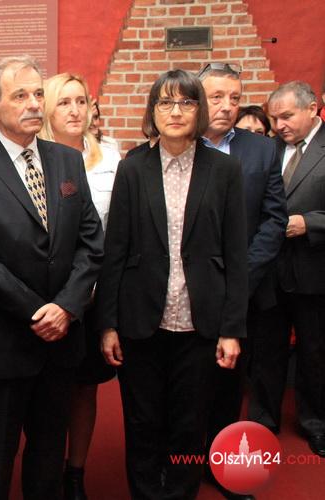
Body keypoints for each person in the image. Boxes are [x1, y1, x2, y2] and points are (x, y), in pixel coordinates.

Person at [0, 55, 104, 500]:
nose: (34, 103)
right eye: (20, 95)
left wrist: (66, 307)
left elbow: (92, 243)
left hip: (62, 339)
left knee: (49, 452)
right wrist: (40, 312)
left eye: (37, 94)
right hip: (6, 339)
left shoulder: (67, 161)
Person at [96, 69, 248, 500]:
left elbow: (236, 255)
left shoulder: (224, 170)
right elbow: (115, 251)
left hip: (201, 322)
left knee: (189, 424)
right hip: (141, 319)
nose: (175, 111)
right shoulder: (132, 168)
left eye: (186, 102)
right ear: (153, 111)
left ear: (199, 111)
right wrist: (108, 324)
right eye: (165, 102)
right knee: (143, 422)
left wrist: (232, 329)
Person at [198, 62, 287, 500]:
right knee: (185, 384)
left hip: (245, 291)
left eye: (234, 98)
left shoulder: (262, 150)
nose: (227, 106)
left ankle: (220, 465)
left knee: (229, 386)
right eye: (216, 97)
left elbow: (274, 220)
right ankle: (180, 463)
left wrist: (241, 277)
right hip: (187, 292)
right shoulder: (175, 144)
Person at [38, 72, 120, 500]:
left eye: (81, 101)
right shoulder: (35, 158)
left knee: (84, 388)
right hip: (49, 295)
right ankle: (46, 471)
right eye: (64, 102)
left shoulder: (111, 157)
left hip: (96, 292)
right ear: (47, 109)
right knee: (50, 392)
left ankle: (76, 472)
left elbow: (117, 232)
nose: (75, 110)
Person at [251, 81, 325, 457]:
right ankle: (264, 419)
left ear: (312, 109)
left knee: (315, 353)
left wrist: (309, 223)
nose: (279, 125)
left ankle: (316, 423)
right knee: (266, 351)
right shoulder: (268, 149)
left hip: (314, 270)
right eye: (274, 118)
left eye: (286, 116)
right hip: (269, 271)